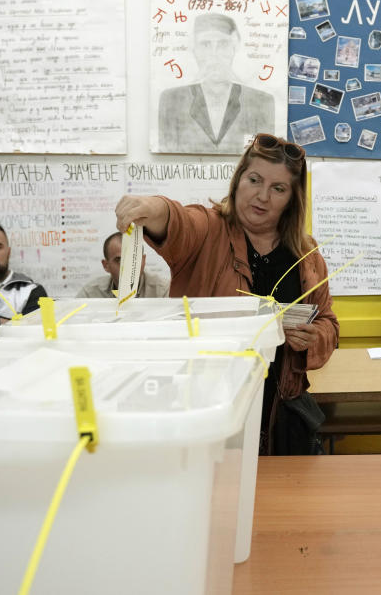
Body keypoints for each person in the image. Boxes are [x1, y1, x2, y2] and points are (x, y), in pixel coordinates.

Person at [115, 133, 339, 454]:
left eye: (278, 189)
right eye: (254, 180)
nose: (262, 196)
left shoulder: (308, 254)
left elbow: (329, 324)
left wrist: (313, 337)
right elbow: (179, 222)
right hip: (211, 414)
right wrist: (151, 207)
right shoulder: (208, 231)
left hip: (282, 418)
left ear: (292, 198)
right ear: (238, 181)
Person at [158, 13, 276, 154]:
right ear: (195, 50)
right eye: (206, 45)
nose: (214, 54)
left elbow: (265, 158)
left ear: (234, 47)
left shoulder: (261, 102)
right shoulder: (172, 101)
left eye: (223, 44)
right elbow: (167, 154)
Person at [76, 231, 170, 299]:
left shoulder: (163, 292)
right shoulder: (91, 293)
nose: (128, 267)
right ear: (106, 265)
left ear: (143, 260)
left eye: (134, 258)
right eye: (119, 260)